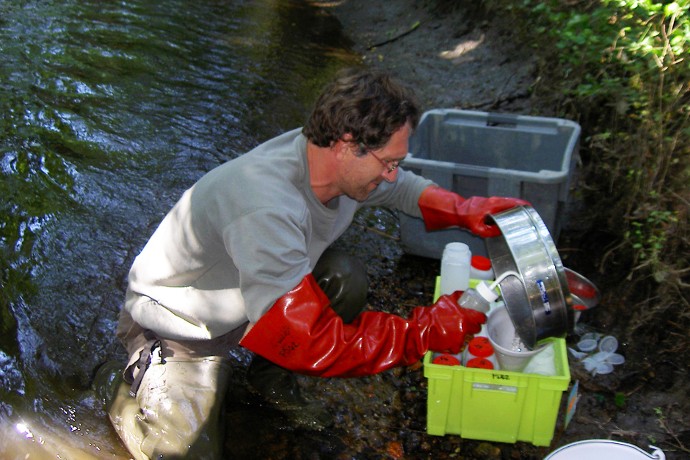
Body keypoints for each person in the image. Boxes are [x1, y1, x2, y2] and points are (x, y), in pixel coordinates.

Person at [94, 69, 527, 459]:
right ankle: (130, 385)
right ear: (346, 145)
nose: (393, 174)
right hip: (181, 326)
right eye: (389, 163)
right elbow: (312, 342)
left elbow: (400, 191)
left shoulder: (327, 159)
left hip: (250, 301)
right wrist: (425, 331)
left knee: (345, 279)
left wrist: (464, 209)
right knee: (183, 454)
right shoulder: (266, 203)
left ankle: (271, 378)